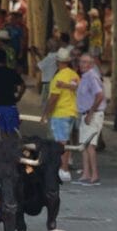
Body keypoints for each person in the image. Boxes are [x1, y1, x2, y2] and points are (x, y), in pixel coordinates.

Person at [41, 50, 80, 182]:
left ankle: (63, 170)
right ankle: (64, 166)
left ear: (57, 62)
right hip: (72, 112)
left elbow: (53, 98)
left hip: (60, 113)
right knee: (66, 141)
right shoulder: (74, 75)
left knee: (60, 142)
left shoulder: (58, 77)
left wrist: (46, 113)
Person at [74, 54, 105, 186]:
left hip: (92, 115)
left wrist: (91, 112)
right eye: (81, 62)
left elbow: (100, 95)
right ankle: (86, 174)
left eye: (85, 62)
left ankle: (94, 175)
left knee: (90, 145)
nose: (82, 64)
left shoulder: (92, 76)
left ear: (91, 64)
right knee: (84, 146)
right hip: (85, 114)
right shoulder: (85, 77)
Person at [0, 47, 26, 136]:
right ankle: (12, 147)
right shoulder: (12, 72)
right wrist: (19, 97)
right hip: (10, 104)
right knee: (13, 130)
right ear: (5, 59)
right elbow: (23, 86)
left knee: (2, 129)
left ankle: (5, 146)